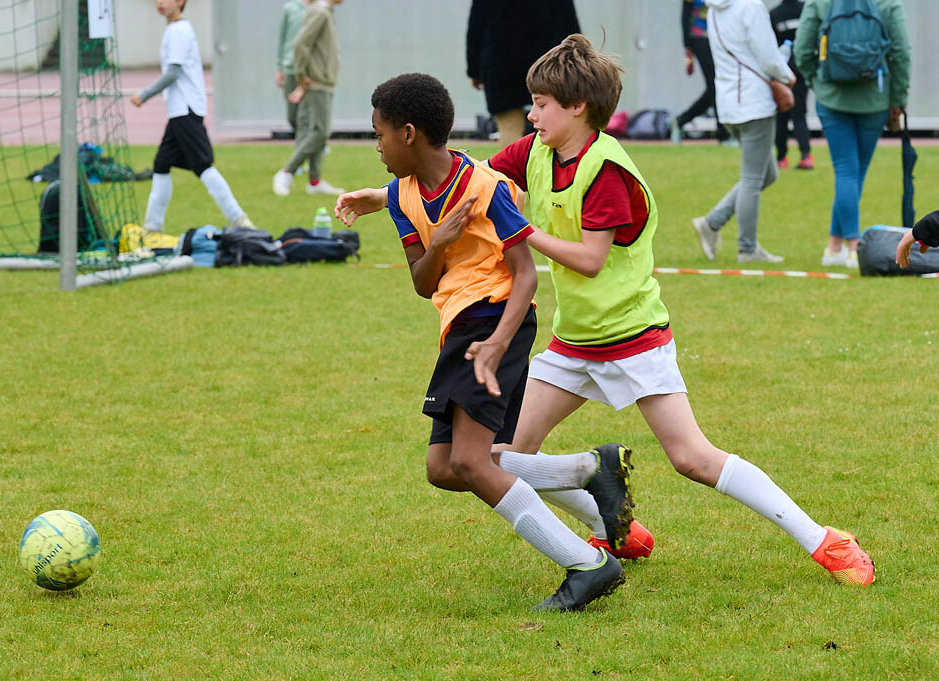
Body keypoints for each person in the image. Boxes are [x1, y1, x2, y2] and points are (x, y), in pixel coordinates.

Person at [483, 34, 873, 587]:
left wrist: (521, 229)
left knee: (693, 458)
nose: (531, 114)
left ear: (577, 107)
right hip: (574, 343)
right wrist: (386, 196)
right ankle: (614, 525)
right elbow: (470, 180)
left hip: (634, 339)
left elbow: (591, 260)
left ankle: (827, 540)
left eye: (541, 104)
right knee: (500, 458)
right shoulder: (534, 151)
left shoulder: (608, 171)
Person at [335, 72, 629, 612]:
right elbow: (423, 283)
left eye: (378, 135)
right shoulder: (401, 197)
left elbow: (526, 275)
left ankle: (587, 564)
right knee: (443, 468)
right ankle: (588, 474)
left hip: (495, 320)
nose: (376, 147)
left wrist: (497, 343)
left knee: (471, 463)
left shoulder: (484, 188)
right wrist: (439, 243)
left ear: (407, 133)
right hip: (459, 328)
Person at [794, 0, 910, 269]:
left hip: (832, 97)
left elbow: (802, 49)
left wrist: (816, 82)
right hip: (875, 97)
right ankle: (854, 248)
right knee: (854, 174)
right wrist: (897, 97)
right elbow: (902, 52)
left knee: (847, 172)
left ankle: (835, 246)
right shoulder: (888, 3)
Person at [131, 0, 253, 231]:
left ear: (181, 2)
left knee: (202, 165)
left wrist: (144, 95)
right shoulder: (174, 29)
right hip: (179, 110)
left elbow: (173, 73)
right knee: (161, 163)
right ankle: (152, 227)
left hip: (185, 109)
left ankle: (239, 219)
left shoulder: (179, 30)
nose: (160, 3)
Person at [691, 0, 795, 263]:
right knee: (752, 179)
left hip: (729, 104)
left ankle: (712, 223)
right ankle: (747, 249)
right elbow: (768, 56)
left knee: (766, 173)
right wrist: (787, 76)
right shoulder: (751, 7)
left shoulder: (714, 9)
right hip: (754, 102)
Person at [466, 0, 580, 150]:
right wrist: (577, 61)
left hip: (501, 62)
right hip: (547, 59)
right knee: (554, 122)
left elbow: (476, 25)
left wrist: (474, 70)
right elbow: (568, 19)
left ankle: (511, 165)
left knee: (509, 127)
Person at [271, 0, 345, 197]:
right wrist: (302, 77)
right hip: (317, 82)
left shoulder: (325, 12)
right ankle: (286, 172)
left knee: (315, 131)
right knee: (320, 132)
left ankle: (314, 181)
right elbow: (300, 44)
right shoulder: (320, 13)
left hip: (322, 82)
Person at [671, 0, 729, 145]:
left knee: (715, 86)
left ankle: (680, 121)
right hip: (699, 36)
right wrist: (687, 47)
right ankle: (723, 134)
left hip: (718, 37)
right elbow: (685, 14)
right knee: (714, 84)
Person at [770, 0, 812, 169]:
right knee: (799, 115)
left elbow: (770, 46)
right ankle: (806, 156)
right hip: (801, 70)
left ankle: (781, 158)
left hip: (781, 72)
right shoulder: (806, 10)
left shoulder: (774, 14)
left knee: (781, 116)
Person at [274, 0, 306, 135]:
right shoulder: (290, 8)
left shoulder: (318, 8)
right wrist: (279, 68)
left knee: (307, 116)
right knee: (292, 116)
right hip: (290, 68)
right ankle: (308, 142)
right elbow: (282, 38)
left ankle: (310, 143)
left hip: (309, 71)